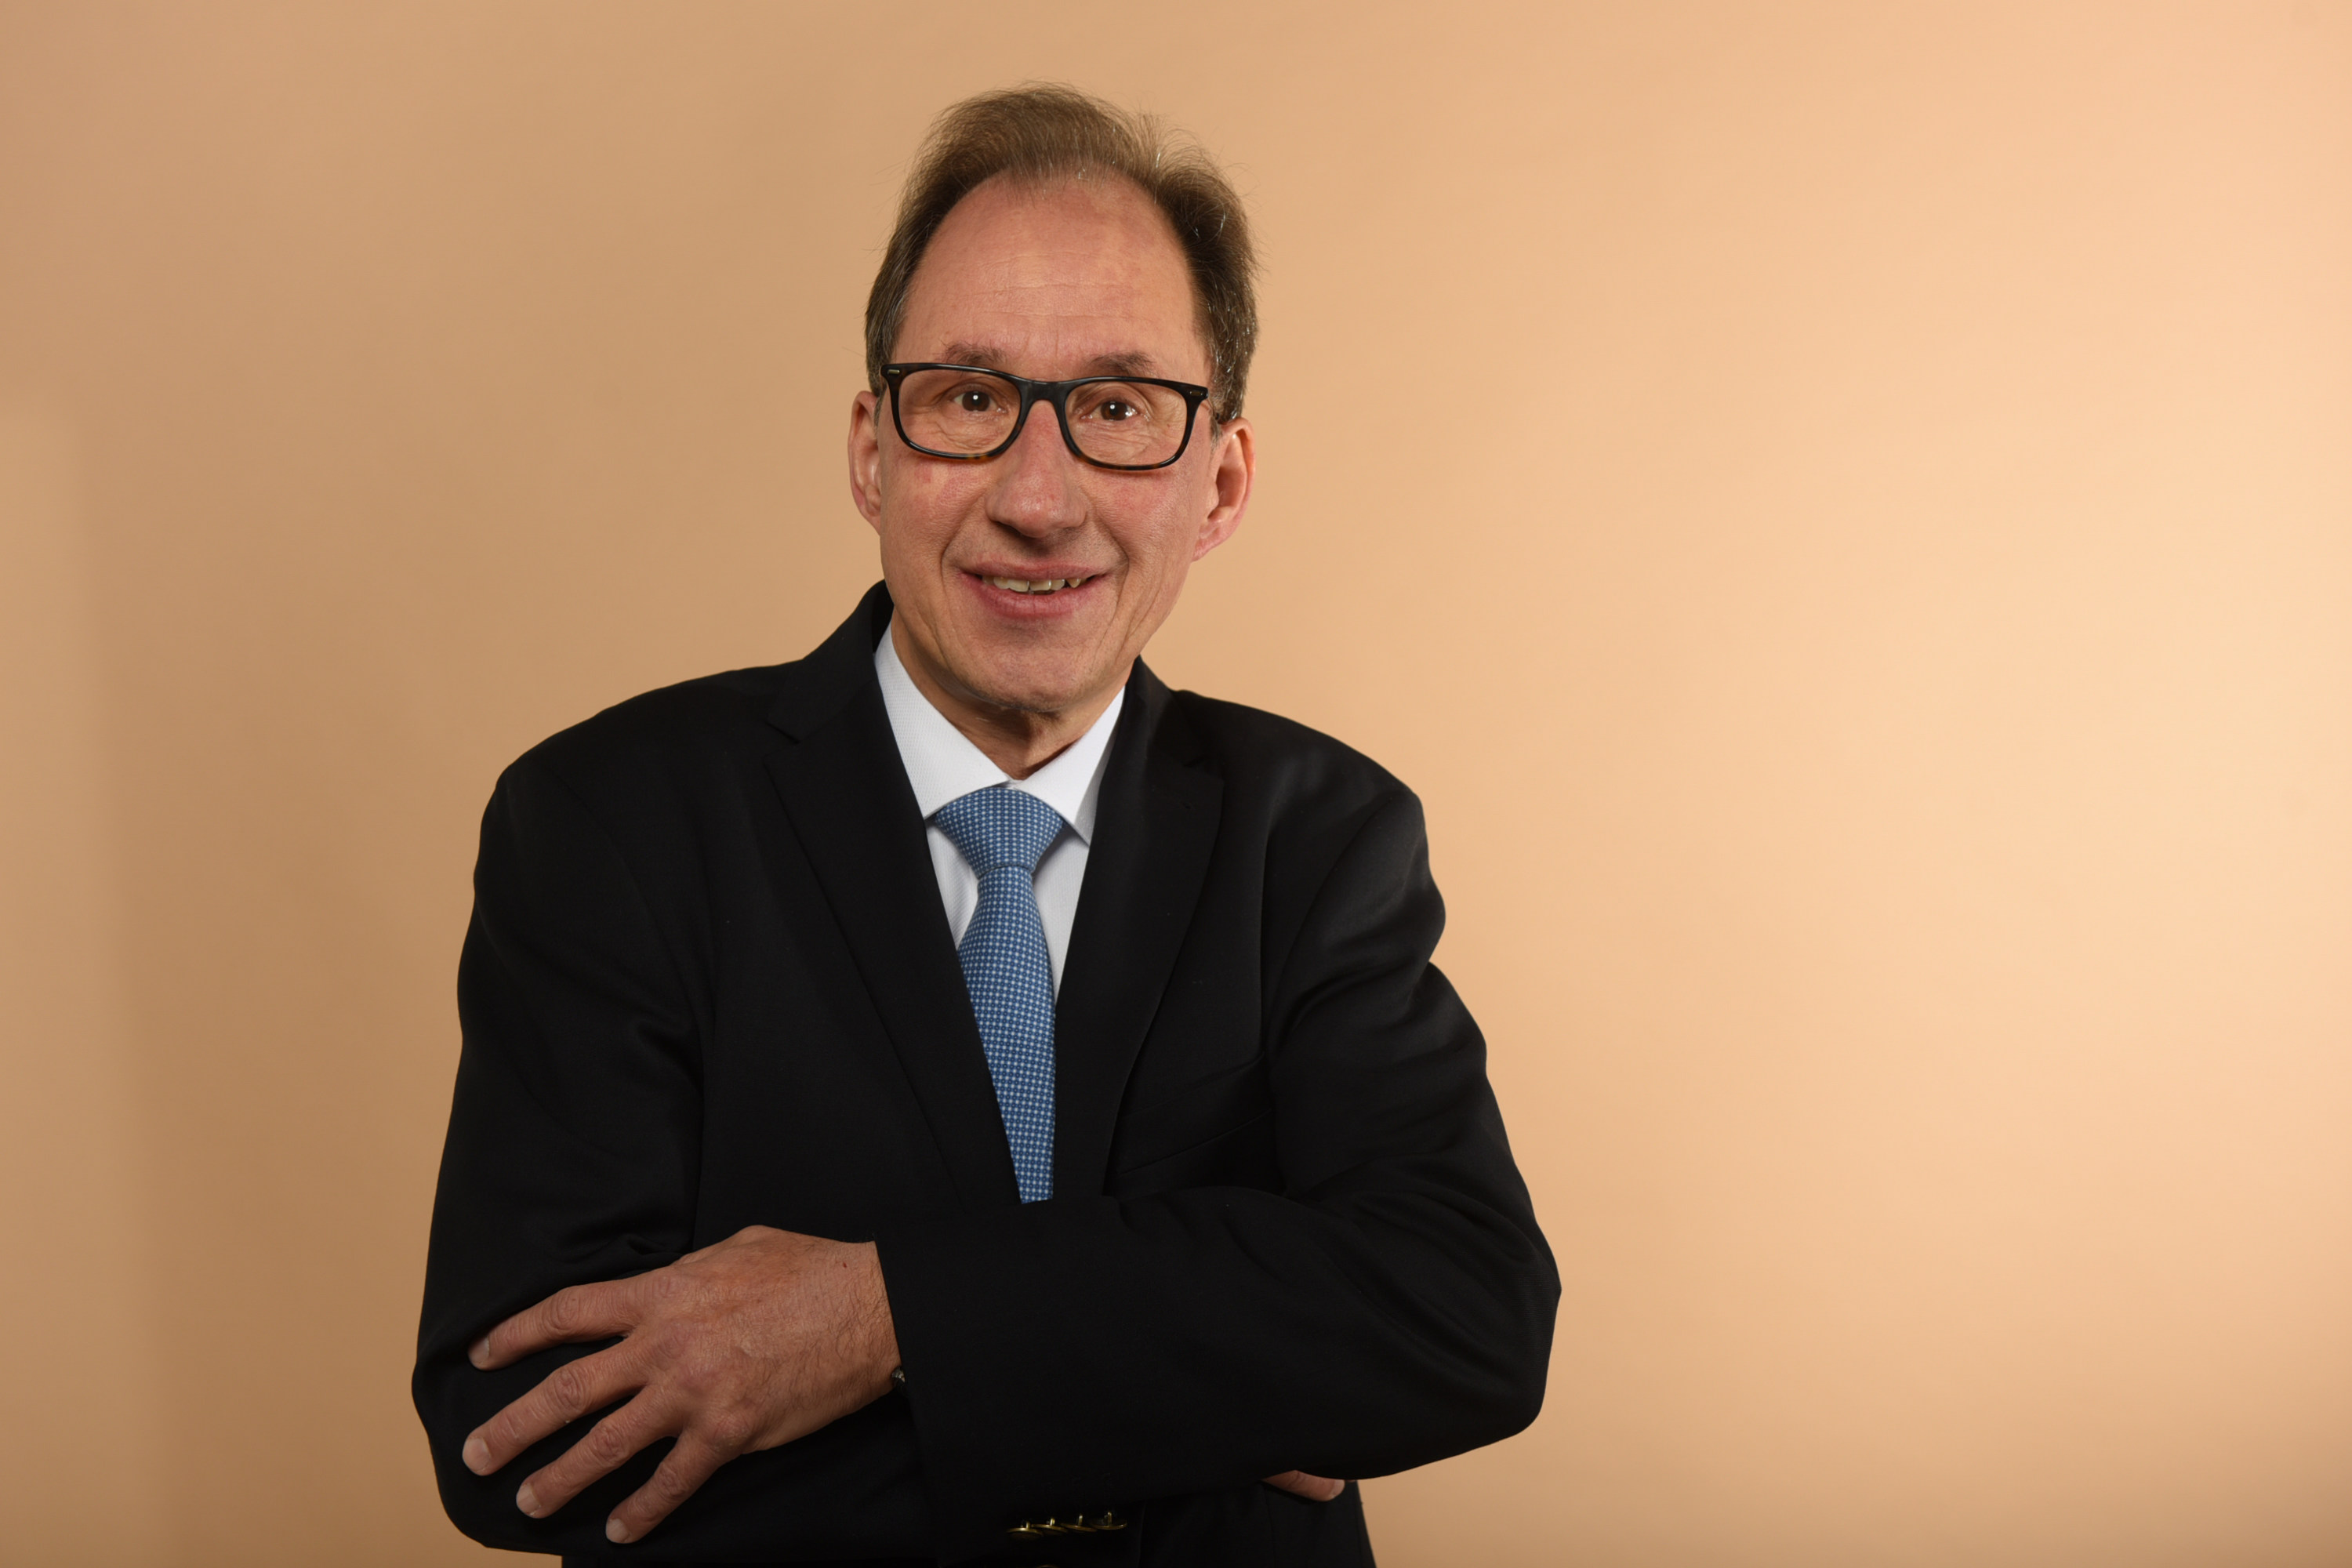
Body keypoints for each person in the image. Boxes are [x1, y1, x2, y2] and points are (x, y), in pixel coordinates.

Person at [414, 85, 1557, 1567]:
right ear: (871, 452)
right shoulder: (610, 823)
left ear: (1219, 483)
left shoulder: (1321, 838)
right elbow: (526, 1436)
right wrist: (1203, 1392)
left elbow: (1465, 1317)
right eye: (968, 397)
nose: (1038, 496)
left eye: (1119, 409)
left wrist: (875, 1317)